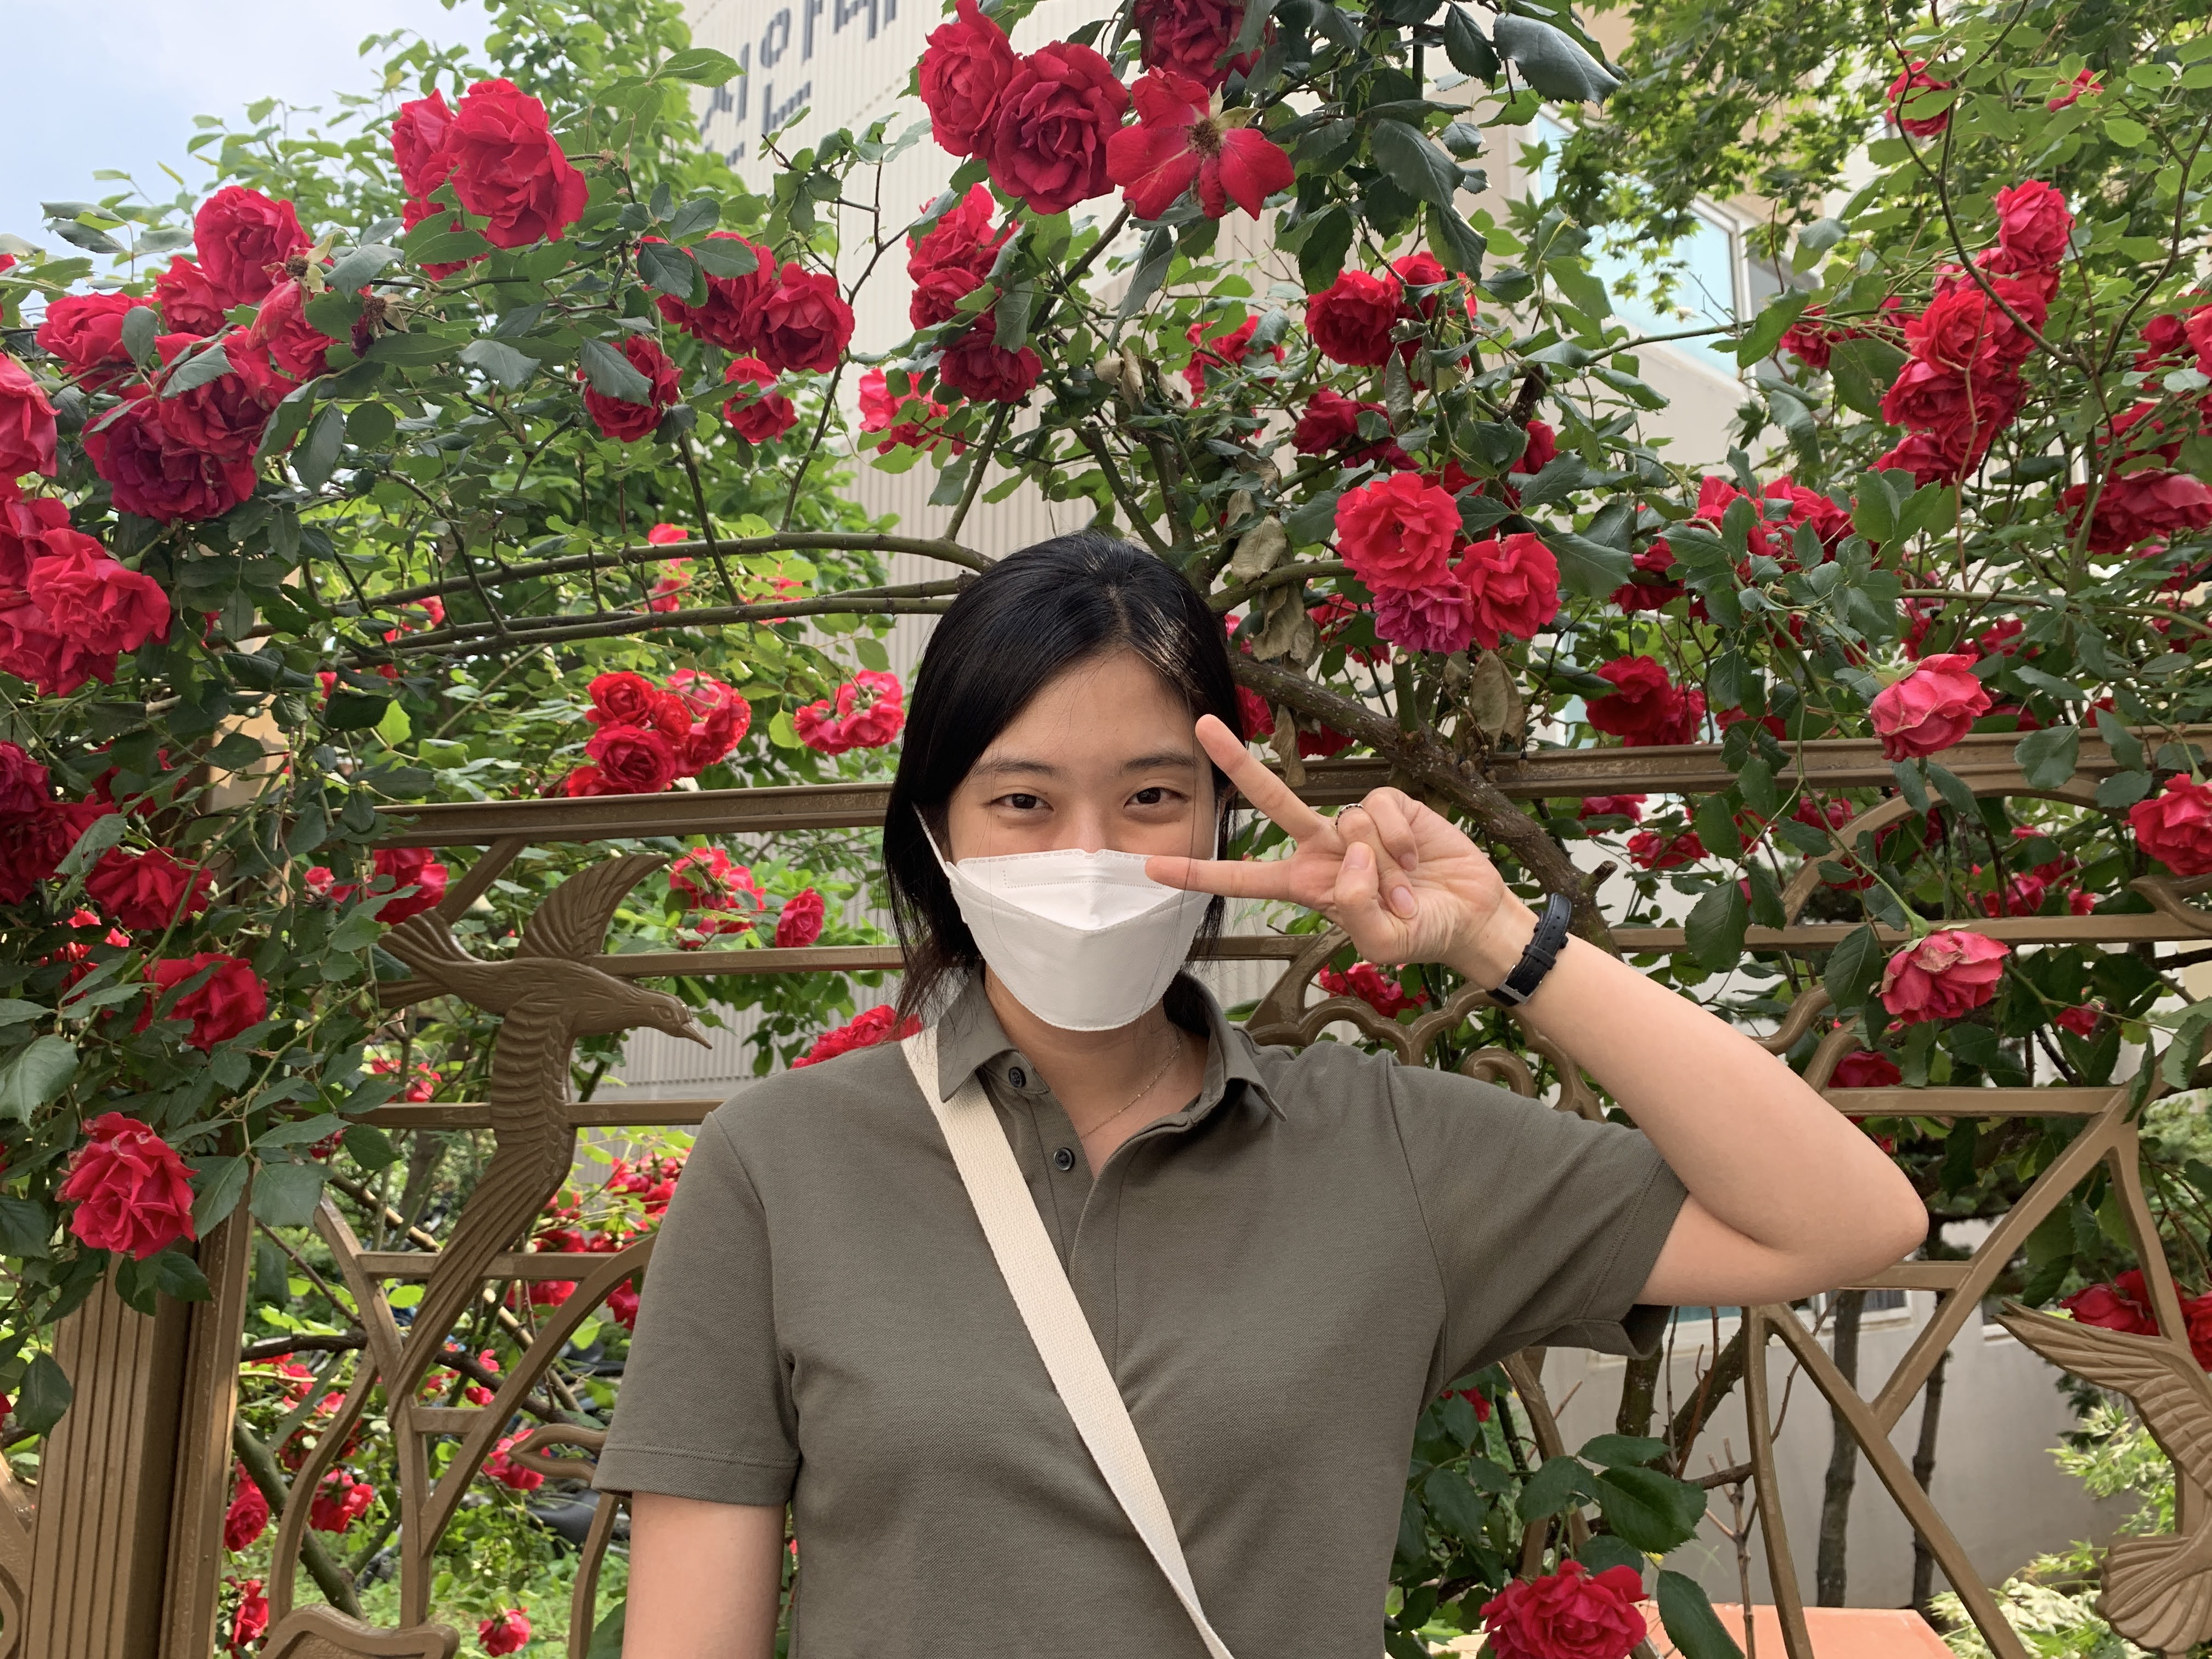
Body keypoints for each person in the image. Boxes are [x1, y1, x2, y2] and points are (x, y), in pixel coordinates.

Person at [594, 533, 1924, 1657]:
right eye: (1023, 803)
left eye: (1151, 795)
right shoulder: (780, 1165)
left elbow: (1847, 1222)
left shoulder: (1383, 1145)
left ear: (1221, 821)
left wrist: (1500, 941)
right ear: (937, 833)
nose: (1092, 854)